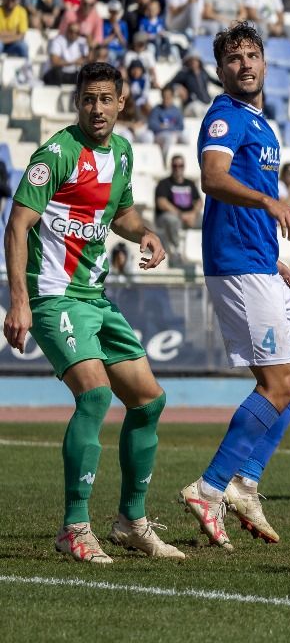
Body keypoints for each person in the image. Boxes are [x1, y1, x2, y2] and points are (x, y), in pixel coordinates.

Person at [2, 62, 181, 563]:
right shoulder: (56, 153)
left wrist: (143, 231)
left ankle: (131, 521)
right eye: (88, 99)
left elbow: (119, 213)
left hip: (95, 298)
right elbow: (17, 226)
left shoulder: (121, 153)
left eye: (106, 98)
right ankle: (74, 527)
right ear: (77, 103)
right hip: (55, 296)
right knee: (96, 397)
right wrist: (19, 300)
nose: (97, 108)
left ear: (121, 102)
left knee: (148, 402)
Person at [179, 23, 290, 551]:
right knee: (277, 382)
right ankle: (210, 486)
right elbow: (212, 179)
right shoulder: (225, 116)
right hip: (236, 265)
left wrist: (276, 254)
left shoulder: (262, 123)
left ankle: (244, 480)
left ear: (265, 62)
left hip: (261, 261)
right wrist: (269, 206)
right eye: (234, 58)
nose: (245, 64)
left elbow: (251, 189)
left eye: (252, 55)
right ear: (221, 70)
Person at [153, 154, 202, 265]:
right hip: (169, 217)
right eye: (175, 165)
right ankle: (176, 251)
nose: (178, 168)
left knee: (208, 220)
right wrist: (181, 215)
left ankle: (205, 250)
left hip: (189, 216)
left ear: (184, 166)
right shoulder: (164, 183)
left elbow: (199, 202)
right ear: (171, 166)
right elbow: (162, 203)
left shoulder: (190, 183)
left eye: (180, 165)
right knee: (172, 220)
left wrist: (193, 214)